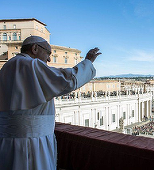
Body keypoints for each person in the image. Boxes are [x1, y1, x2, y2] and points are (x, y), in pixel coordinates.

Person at [0, 36, 101, 170]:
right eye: (48, 53)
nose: (48, 59)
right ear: (35, 48)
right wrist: (88, 61)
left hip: (7, 142)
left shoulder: (7, 67)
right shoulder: (30, 65)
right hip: (31, 144)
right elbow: (67, 80)